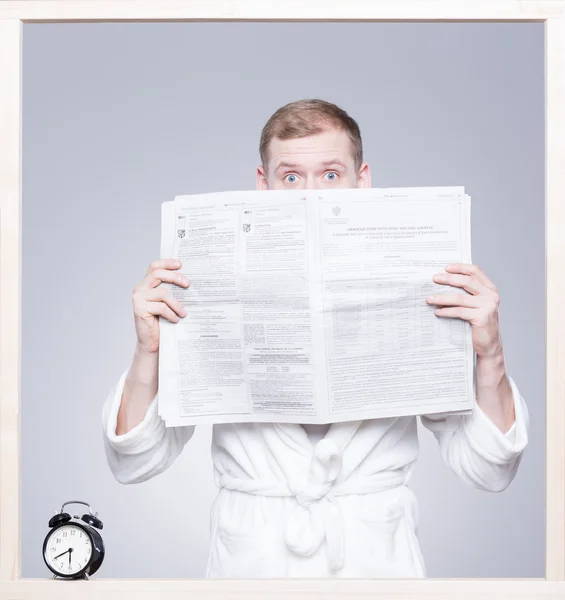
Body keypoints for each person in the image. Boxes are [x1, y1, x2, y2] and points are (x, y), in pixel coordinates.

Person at [101, 99, 529, 578]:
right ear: (262, 185)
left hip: (375, 563)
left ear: (361, 181)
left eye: (329, 175)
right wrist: (148, 352)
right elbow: (133, 464)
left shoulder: (420, 278)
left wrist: (490, 354)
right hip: (253, 562)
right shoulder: (203, 281)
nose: (311, 196)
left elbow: (490, 469)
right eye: (290, 177)